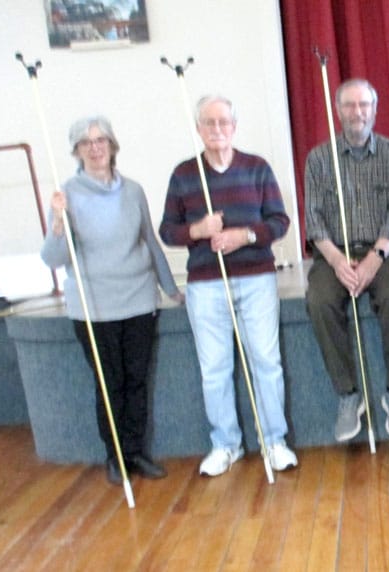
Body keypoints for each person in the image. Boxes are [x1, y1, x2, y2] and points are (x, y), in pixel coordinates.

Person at [159, 95, 298, 476]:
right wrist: (198, 230)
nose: (217, 129)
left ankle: (274, 441)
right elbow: (167, 231)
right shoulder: (184, 174)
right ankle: (226, 445)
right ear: (198, 128)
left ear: (234, 127)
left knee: (265, 362)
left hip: (256, 279)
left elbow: (280, 222)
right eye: (209, 122)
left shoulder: (257, 168)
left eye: (223, 122)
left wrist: (245, 236)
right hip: (206, 284)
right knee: (215, 369)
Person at [41, 116, 179, 485]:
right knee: (110, 384)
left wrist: (170, 288)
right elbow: (53, 258)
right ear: (76, 151)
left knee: (136, 381)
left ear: (112, 145)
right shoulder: (65, 195)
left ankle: (135, 452)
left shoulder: (133, 190)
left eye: (101, 140)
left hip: (138, 301)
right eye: (86, 142)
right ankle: (115, 455)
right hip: (94, 307)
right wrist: (58, 224)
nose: (95, 147)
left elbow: (150, 241)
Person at [304, 78, 389, 442]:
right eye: (350, 105)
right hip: (333, 253)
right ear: (338, 111)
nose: (358, 112)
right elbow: (314, 220)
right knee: (319, 301)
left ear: (374, 110)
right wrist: (338, 261)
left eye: (364, 105)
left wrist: (373, 260)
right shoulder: (318, 159)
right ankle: (347, 395)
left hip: (381, 251)